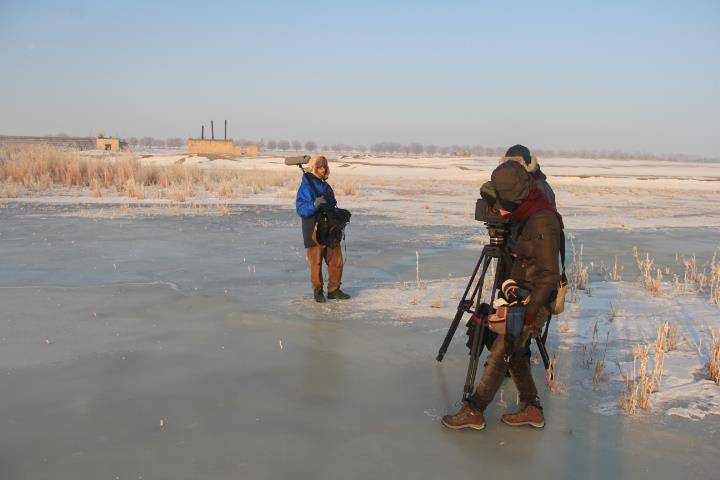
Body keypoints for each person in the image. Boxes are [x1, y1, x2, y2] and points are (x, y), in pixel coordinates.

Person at [443, 161, 563, 430]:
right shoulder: (527, 213)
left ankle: (474, 409)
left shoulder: (542, 220)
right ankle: (532, 409)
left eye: (500, 203)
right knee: (515, 353)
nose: (497, 210)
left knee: (501, 351)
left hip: (533, 301)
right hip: (521, 295)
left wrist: (529, 313)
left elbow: (548, 275)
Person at [295, 156, 350, 303]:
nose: (322, 169)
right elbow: (301, 209)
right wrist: (314, 204)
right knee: (316, 261)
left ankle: (334, 290)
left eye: (324, 167)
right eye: (319, 167)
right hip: (313, 228)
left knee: (336, 259)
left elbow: (332, 204)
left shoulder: (325, 186)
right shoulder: (306, 187)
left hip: (330, 227)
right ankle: (317, 290)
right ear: (314, 168)